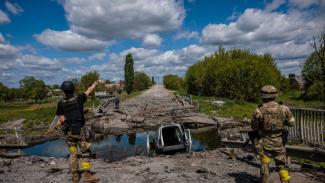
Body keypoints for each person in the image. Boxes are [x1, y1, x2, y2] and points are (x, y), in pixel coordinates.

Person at [56, 80, 104, 183]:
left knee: (73, 153)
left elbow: (62, 119)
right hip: (80, 131)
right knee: (85, 153)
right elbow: (89, 91)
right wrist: (95, 83)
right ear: (73, 90)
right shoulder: (79, 99)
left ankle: (75, 176)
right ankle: (87, 175)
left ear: (63, 91)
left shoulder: (60, 103)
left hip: (69, 132)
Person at [251, 85, 295, 183]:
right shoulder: (284, 108)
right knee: (281, 165)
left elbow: (254, 127)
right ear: (276, 95)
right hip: (279, 142)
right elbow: (291, 122)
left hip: (264, 142)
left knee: (265, 163)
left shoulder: (258, 110)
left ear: (262, 95)